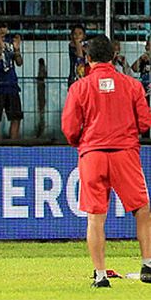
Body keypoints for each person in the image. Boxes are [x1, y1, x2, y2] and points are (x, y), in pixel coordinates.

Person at [61, 35, 151, 288]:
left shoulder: (79, 87)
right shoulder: (132, 86)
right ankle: (148, 264)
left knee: (95, 218)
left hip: (93, 156)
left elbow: (69, 128)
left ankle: (100, 276)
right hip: (125, 154)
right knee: (142, 210)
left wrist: (84, 142)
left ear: (87, 59)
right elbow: (145, 123)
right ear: (113, 56)